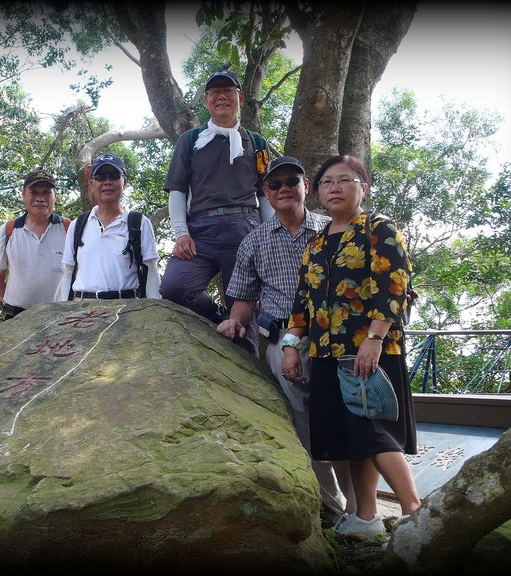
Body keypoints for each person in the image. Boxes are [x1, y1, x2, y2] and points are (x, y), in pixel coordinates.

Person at [281, 154, 420, 540]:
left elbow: (395, 287)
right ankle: (367, 516)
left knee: (375, 432)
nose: (335, 188)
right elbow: (302, 302)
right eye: (327, 182)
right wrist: (292, 346)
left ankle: (414, 510)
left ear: (364, 187)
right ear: (317, 192)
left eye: (345, 180)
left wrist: (374, 339)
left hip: (370, 353)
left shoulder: (378, 228)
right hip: (326, 355)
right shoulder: (317, 244)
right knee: (354, 438)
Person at [215, 156, 355, 525]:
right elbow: (244, 298)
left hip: (334, 343)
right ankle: (332, 509)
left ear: (306, 185)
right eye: (274, 185)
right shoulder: (254, 241)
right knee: (303, 426)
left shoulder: (333, 230)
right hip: (280, 343)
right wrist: (233, 320)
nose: (283, 190)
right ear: (265, 193)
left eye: (291, 181)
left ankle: (360, 510)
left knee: (342, 422)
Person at [161, 69, 274, 356]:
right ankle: (217, 316)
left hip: (244, 226)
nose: (221, 96)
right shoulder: (190, 140)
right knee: (174, 287)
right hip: (200, 228)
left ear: (240, 97)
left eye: (228, 90)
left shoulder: (257, 143)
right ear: (207, 101)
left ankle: (248, 370)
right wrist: (181, 233)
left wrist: (270, 235)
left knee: (245, 302)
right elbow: (178, 189)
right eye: (214, 92)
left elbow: (266, 194)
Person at [55, 154, 161, 301]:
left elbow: (150, 269)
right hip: (81, 311)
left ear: (125, 181)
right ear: (91, 184)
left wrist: (155, 308)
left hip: (125, 308)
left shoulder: (139, 223)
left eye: (114, 176)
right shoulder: (77, 225)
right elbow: (68, 272)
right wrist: (63, 309)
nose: (107, 182)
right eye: (100, 177)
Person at [0, 168, 69, 319]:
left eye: (46, 192)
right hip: (16, 318)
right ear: (23, 195)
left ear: (55, 196)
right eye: (34, 192)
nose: (40, 198)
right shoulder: (9, 230)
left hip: (57, 318)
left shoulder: (68, 229)